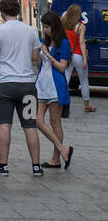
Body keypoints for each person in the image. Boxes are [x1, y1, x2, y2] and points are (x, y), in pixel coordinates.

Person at [0, 0, 43, 176]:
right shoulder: (31, 31)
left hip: (5, 84)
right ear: (18, 11)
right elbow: (35, 58)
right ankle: (36, 166)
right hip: (27, 84)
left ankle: (3, 165)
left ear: (3, 11)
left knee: (4, 124)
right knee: (30, 125)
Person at [36, 11, 74, 170]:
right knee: (37, 121)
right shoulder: (43, 41)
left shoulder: (63, 43)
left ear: (54, 26)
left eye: (47, 26)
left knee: (54, 122)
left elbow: (62, 67)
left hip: (55, 86)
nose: (45, 30)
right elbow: (39, 64)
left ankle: (56, 158)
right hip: (41, 85)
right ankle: (62, 149)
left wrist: (47, 54)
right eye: (43, 26)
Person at [62, 3, 96, 113]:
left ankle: (60, 103)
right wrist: (85, 59)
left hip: (68, 55)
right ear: (78, 14)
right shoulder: (81, 26)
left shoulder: (63, 24)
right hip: (78, 55)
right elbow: (81, 43)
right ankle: (86, 106)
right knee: (84, 80)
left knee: (65, 79)